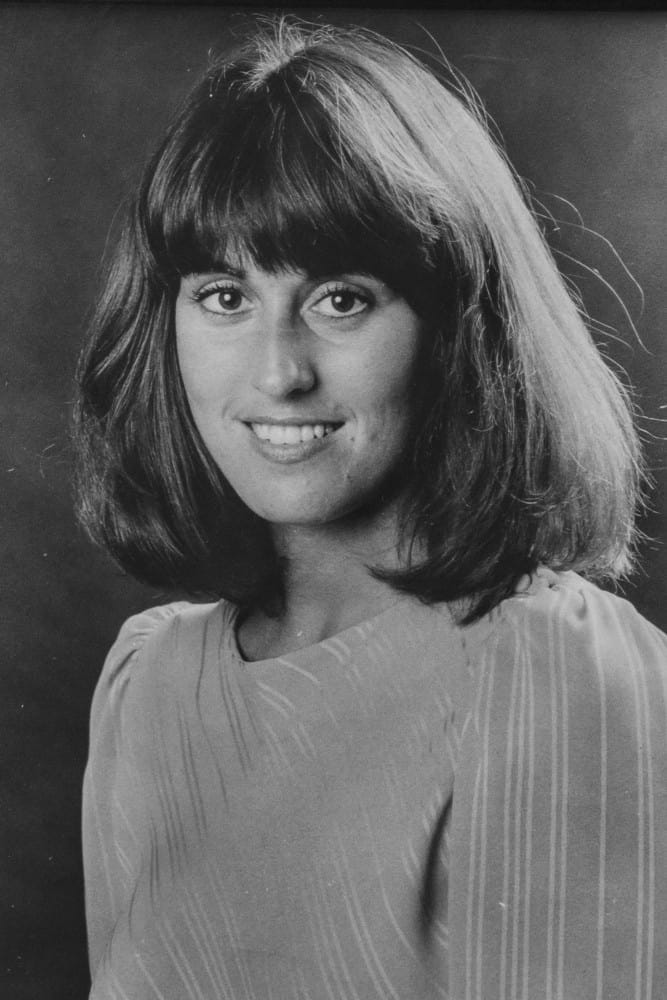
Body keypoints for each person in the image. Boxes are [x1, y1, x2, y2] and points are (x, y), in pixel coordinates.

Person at [74, 18, 667, 1000]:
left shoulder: (556, 672)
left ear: (455, 328)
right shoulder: (147, 683)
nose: (278, 371)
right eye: (223, 296)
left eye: (340, 299)